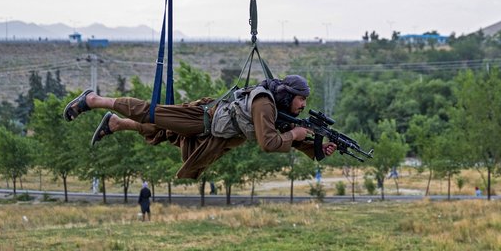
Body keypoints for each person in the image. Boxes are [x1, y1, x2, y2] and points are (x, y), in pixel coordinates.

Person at [63, 75, 337, 180]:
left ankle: (117, 123)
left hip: (212, 133)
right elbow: (270, 143)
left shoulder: (276, 109)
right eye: (302, 99)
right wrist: (295, 135)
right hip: (201, 118)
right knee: (152, 112)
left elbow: (286, 133)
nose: (303, 105)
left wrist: (317, 149)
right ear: (289, 95)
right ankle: (94, 100)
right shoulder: (265, 103)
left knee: (164, 134)